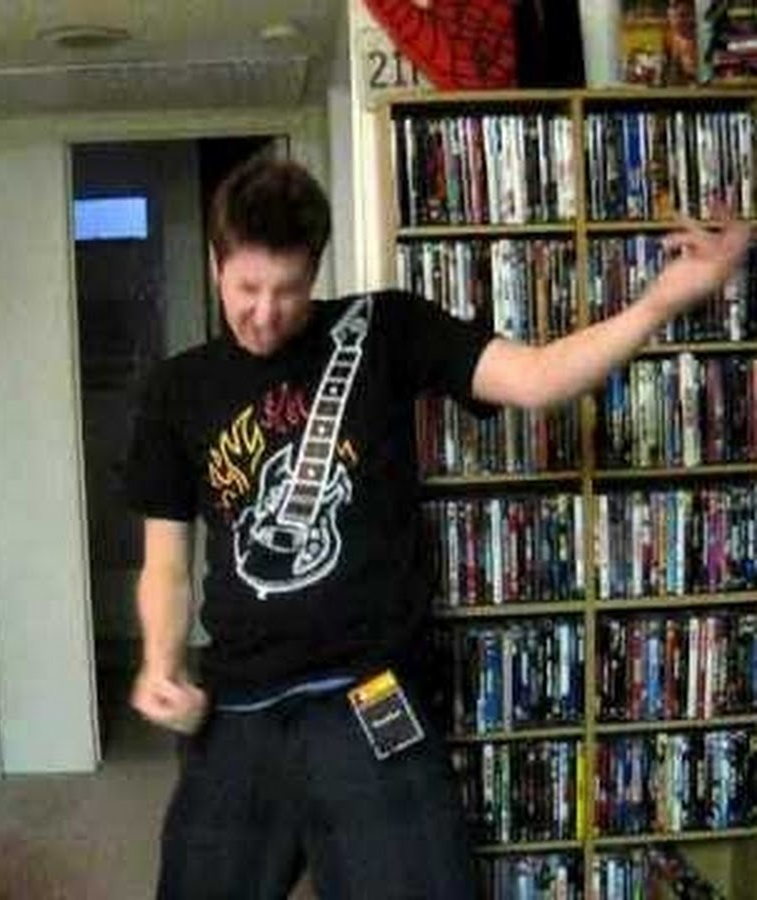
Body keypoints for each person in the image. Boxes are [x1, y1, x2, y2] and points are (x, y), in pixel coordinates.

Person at [123, 156, 751, 899]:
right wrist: (160, 660)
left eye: (287, 290)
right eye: (246, 289)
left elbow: (538, 378)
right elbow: (166, 561)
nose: (266, 313)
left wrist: (662, 302)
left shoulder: (385, 327)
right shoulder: (177, 389)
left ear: (316, 269)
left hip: (368, 686)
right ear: (215, 265)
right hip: (241, 700)